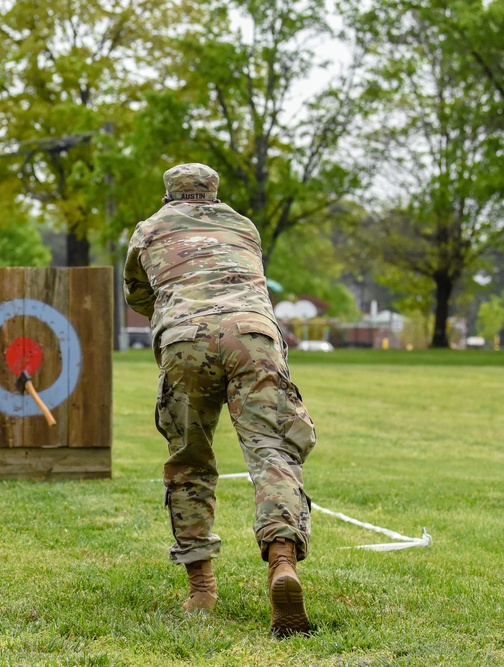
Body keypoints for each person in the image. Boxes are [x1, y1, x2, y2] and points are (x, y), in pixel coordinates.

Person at [123, 163, 316, 638]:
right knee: (273, 452)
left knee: (189, 457)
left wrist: (175, 303)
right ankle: (282, 561)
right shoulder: (243, 225)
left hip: (186, 339)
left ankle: (202, 587)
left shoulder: (148, 231)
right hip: (253, 336)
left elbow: (139, 297)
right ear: (214, 192)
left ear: (170, 194)